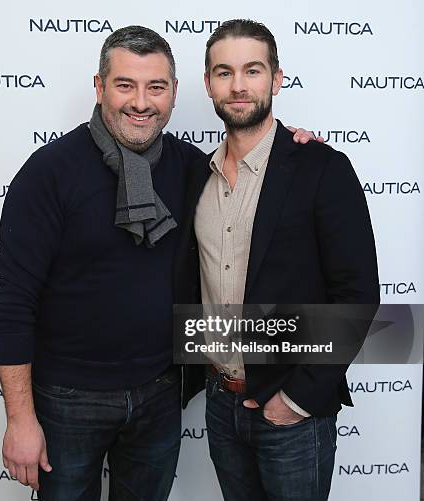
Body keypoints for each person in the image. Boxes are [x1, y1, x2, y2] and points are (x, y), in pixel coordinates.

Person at [0, 25, 317, 500]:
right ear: (100, 87)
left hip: (160, 394)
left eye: (156, 87)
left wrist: (294, 147)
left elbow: (250, 166)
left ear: (175, 93)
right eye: (125, 85)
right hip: (67, 401)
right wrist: (19, 419)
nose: (141, 102)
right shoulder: (49, 173)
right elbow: (12, 303)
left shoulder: (189, 166)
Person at [174, 19, 379, 501]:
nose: (239, 85)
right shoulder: (194, 179)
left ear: (277, 78)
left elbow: (357, 296)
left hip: (291, 411)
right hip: (220, 405)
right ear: (208, 85)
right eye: (224, 73)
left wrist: (297, 399)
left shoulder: (322, 168)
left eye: (253, 70)